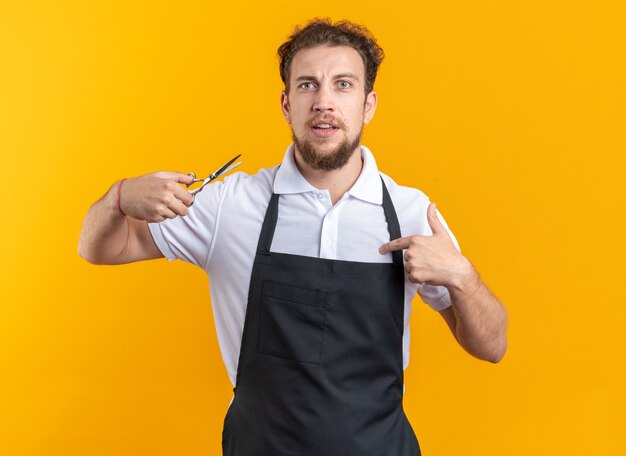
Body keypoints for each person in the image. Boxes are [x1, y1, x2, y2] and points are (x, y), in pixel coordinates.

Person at [79, 18, 507, 456]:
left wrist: (462, 275)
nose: (324, 102)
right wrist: (119, 197)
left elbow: (492, 346)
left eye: (343, 84)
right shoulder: (230, 206)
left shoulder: (412, 212)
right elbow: (97, 248)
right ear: (286, 104)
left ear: (368, 104)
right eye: (307, 85)